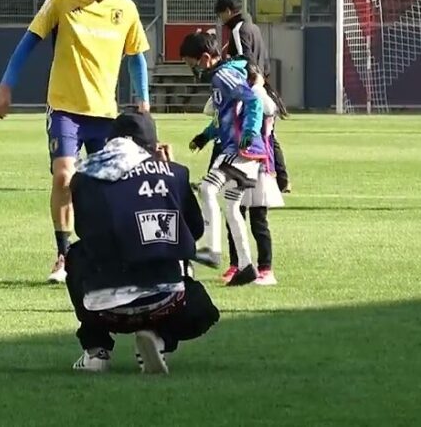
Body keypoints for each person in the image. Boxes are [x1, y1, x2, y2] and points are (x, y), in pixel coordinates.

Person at [0, 0, 151, 283]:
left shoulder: (126, 9)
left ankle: (106, 254)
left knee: (108, 187)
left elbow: (136, 56)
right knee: (64, 177)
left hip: (105, 114)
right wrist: (6, 86)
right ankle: (64, 257)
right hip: (65, 110)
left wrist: (143, 98)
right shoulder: (62, 2)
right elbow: (27, 43)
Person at [64, 111, 220, 374]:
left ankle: (96, 351)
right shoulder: (176, 174)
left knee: (77, 254)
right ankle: (159, 339)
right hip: (166, 303)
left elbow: (85, 230)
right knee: (202, 307)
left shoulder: (83, 177)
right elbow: (193, 230)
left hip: (105, 309)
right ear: (152, 144)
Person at [180, 31, 267, 287]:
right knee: (231, 207)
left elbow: (253, 101)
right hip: (245, 151)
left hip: (240, 151)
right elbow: (225, 118)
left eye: (192, 64)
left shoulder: (223, 76)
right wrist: (205, 136)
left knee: (207, 188)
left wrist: (250, 132)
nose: (193, 70)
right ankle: (246, 266)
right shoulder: (223, 76)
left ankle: (212, 248)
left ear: (206, 58)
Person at [210, 63, 280, 286]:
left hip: (258, 165)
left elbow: (267, 108)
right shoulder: (235, 98)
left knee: (259, 220)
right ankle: (238, 264)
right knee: (234, 213)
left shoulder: (258, 97)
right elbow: (211, 112)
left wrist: (257, 87)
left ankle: (266, 269)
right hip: (240, 162)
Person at [213, 0, 291, 193]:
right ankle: (282, 179)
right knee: (269, 134)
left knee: (226, 128)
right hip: (262, 83)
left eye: (221, 14)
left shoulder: (238, 30)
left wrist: (247, 82)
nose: (221, 19)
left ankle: (214, 175)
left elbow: (244, 59)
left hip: (247, 87)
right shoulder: (254, 27)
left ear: (228, 11)